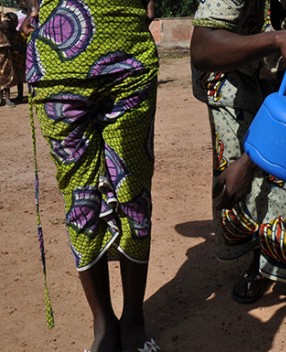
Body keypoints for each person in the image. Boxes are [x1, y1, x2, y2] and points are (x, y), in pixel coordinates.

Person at [189, 0, 286, 331]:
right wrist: (277, 39)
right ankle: (260, 261)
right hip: (230, 70)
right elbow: (201, 48)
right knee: (235, 167)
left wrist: (250, 160)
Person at [25, 0, 161, 351]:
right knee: (80, 200)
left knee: (133, 191)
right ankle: (102, 322)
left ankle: (133, 319)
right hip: (58, 65)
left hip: (129, 58)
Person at [3, 12, 26, 103]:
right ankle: (6, 98)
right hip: (8, 60)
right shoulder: (5, 34)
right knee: (7, 78)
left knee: (19, 79)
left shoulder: (18, 34)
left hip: (18, 59)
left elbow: (23, 45)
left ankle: (20, 96)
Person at [0, 12, 17, 107]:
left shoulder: (5, 19)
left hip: (4, 50)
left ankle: (7, 98)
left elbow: (6, 26)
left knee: (6, 73)